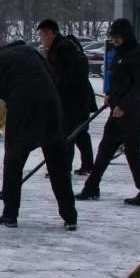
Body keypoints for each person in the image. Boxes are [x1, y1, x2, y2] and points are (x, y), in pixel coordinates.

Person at [0, 43, 77, 230]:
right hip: (52, 108)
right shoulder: (28, 52)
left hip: (23, 113)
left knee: (13, 163)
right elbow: (53, 76)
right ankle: (70, 216)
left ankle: (9, 214)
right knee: (58, 166)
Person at [76, 18, 140, 206]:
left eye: (118, 37)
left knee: (133, 152)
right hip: (117, 110)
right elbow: (118, 80)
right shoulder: (119, 54)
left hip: (132, 112)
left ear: (126, 35)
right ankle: (91, 187)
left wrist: (124, 106)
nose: (115, 40)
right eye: (113, 37)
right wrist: (111, 95)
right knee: (105, 149)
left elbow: (139, 86)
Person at [37, 20, 96, 174]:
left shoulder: (63, 48)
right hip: (74, 98)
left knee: (68, 134)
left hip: (72, 99)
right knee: (79, 133)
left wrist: (52, 91)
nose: (41, 39)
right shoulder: (60, 47)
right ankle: (86, 165)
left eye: (42, 35)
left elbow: (63, 76)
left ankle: (63, 168)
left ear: (50, 32)